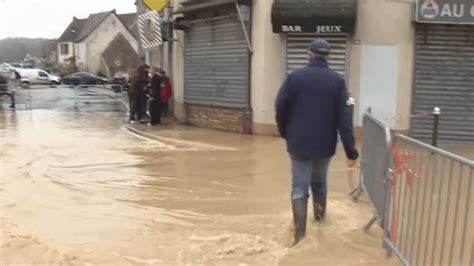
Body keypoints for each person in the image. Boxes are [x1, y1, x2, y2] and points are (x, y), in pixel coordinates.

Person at [275, 38, 359, 246]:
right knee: (320, 184)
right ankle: (321, 225)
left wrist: (286, 133)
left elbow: (279, 108)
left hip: (298, 145)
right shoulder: (337, 81)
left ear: (309, 54)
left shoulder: (294, 78)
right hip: (324, 146)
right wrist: (351, 152)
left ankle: (300, 237)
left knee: (299, 189)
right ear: (327, 55)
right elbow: (344, 119)